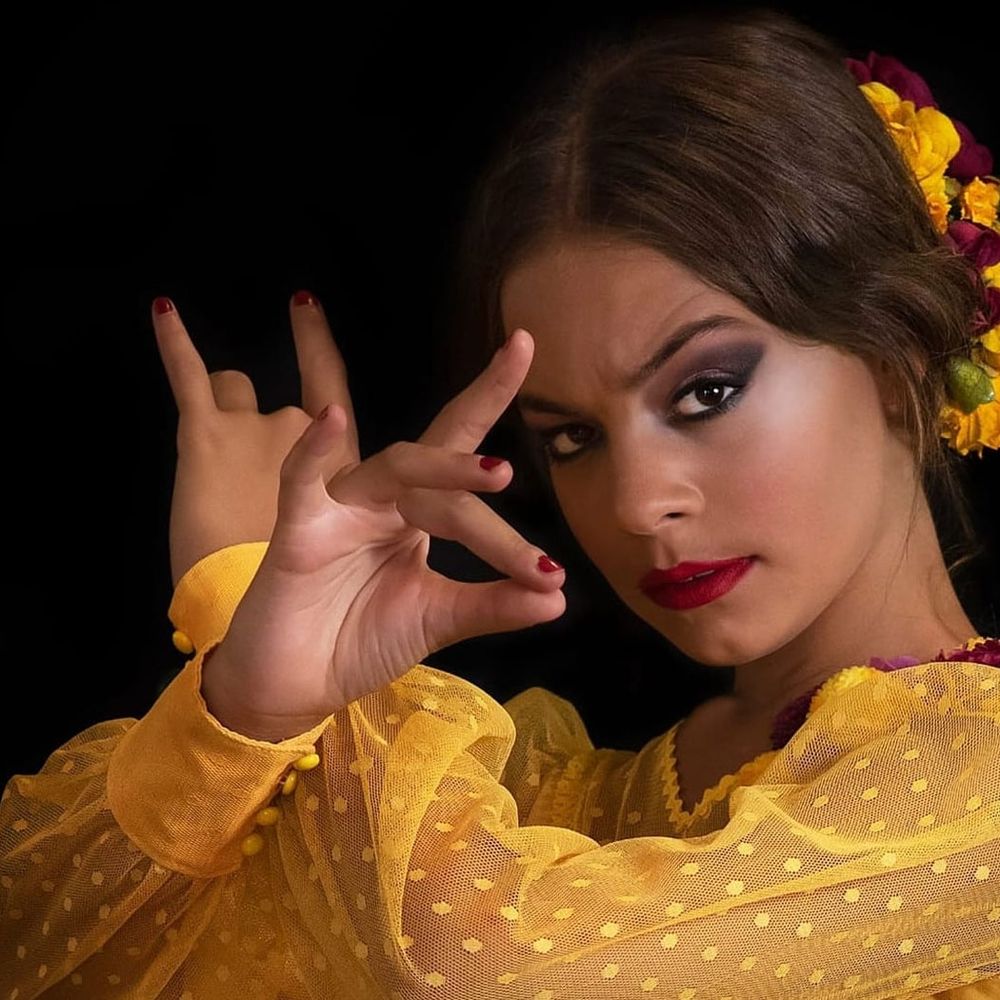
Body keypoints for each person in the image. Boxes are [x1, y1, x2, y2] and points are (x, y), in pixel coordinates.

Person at [2, 7, 998, 999]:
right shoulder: (556, 791)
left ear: (896, 351)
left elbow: (471, 973)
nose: (639, 504)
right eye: (572, 436)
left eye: (705, 392)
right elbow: (47, 953)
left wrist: (248, 585)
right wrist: (255, 694)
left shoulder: (977, 791)